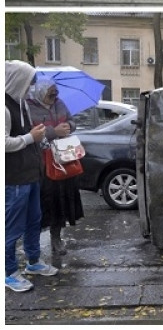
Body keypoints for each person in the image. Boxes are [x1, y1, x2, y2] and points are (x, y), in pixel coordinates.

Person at [6, 60, 58, 293]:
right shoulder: (4, 108)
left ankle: (33, 261)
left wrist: (40, 137)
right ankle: (8, 272)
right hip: (14, 178)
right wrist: (30, 138)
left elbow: (29, 136)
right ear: (18, 80)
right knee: (11, 227)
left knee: (33, 221)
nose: (31, 88)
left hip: (31, 174)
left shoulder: (21, 104)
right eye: (28, 82)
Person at [24, 78, 84, 262]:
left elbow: (72, 121)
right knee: (43, 203)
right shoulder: (28, 107)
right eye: (50, 95)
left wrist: (69, 126)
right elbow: (29, 133)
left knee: (61, 201)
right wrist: (53, 132)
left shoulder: (60, 104)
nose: (53, 98)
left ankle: (56, 238)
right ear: (40, 92)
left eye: (55, 94)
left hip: (64, 160)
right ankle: (32, 245)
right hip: (42, 164)